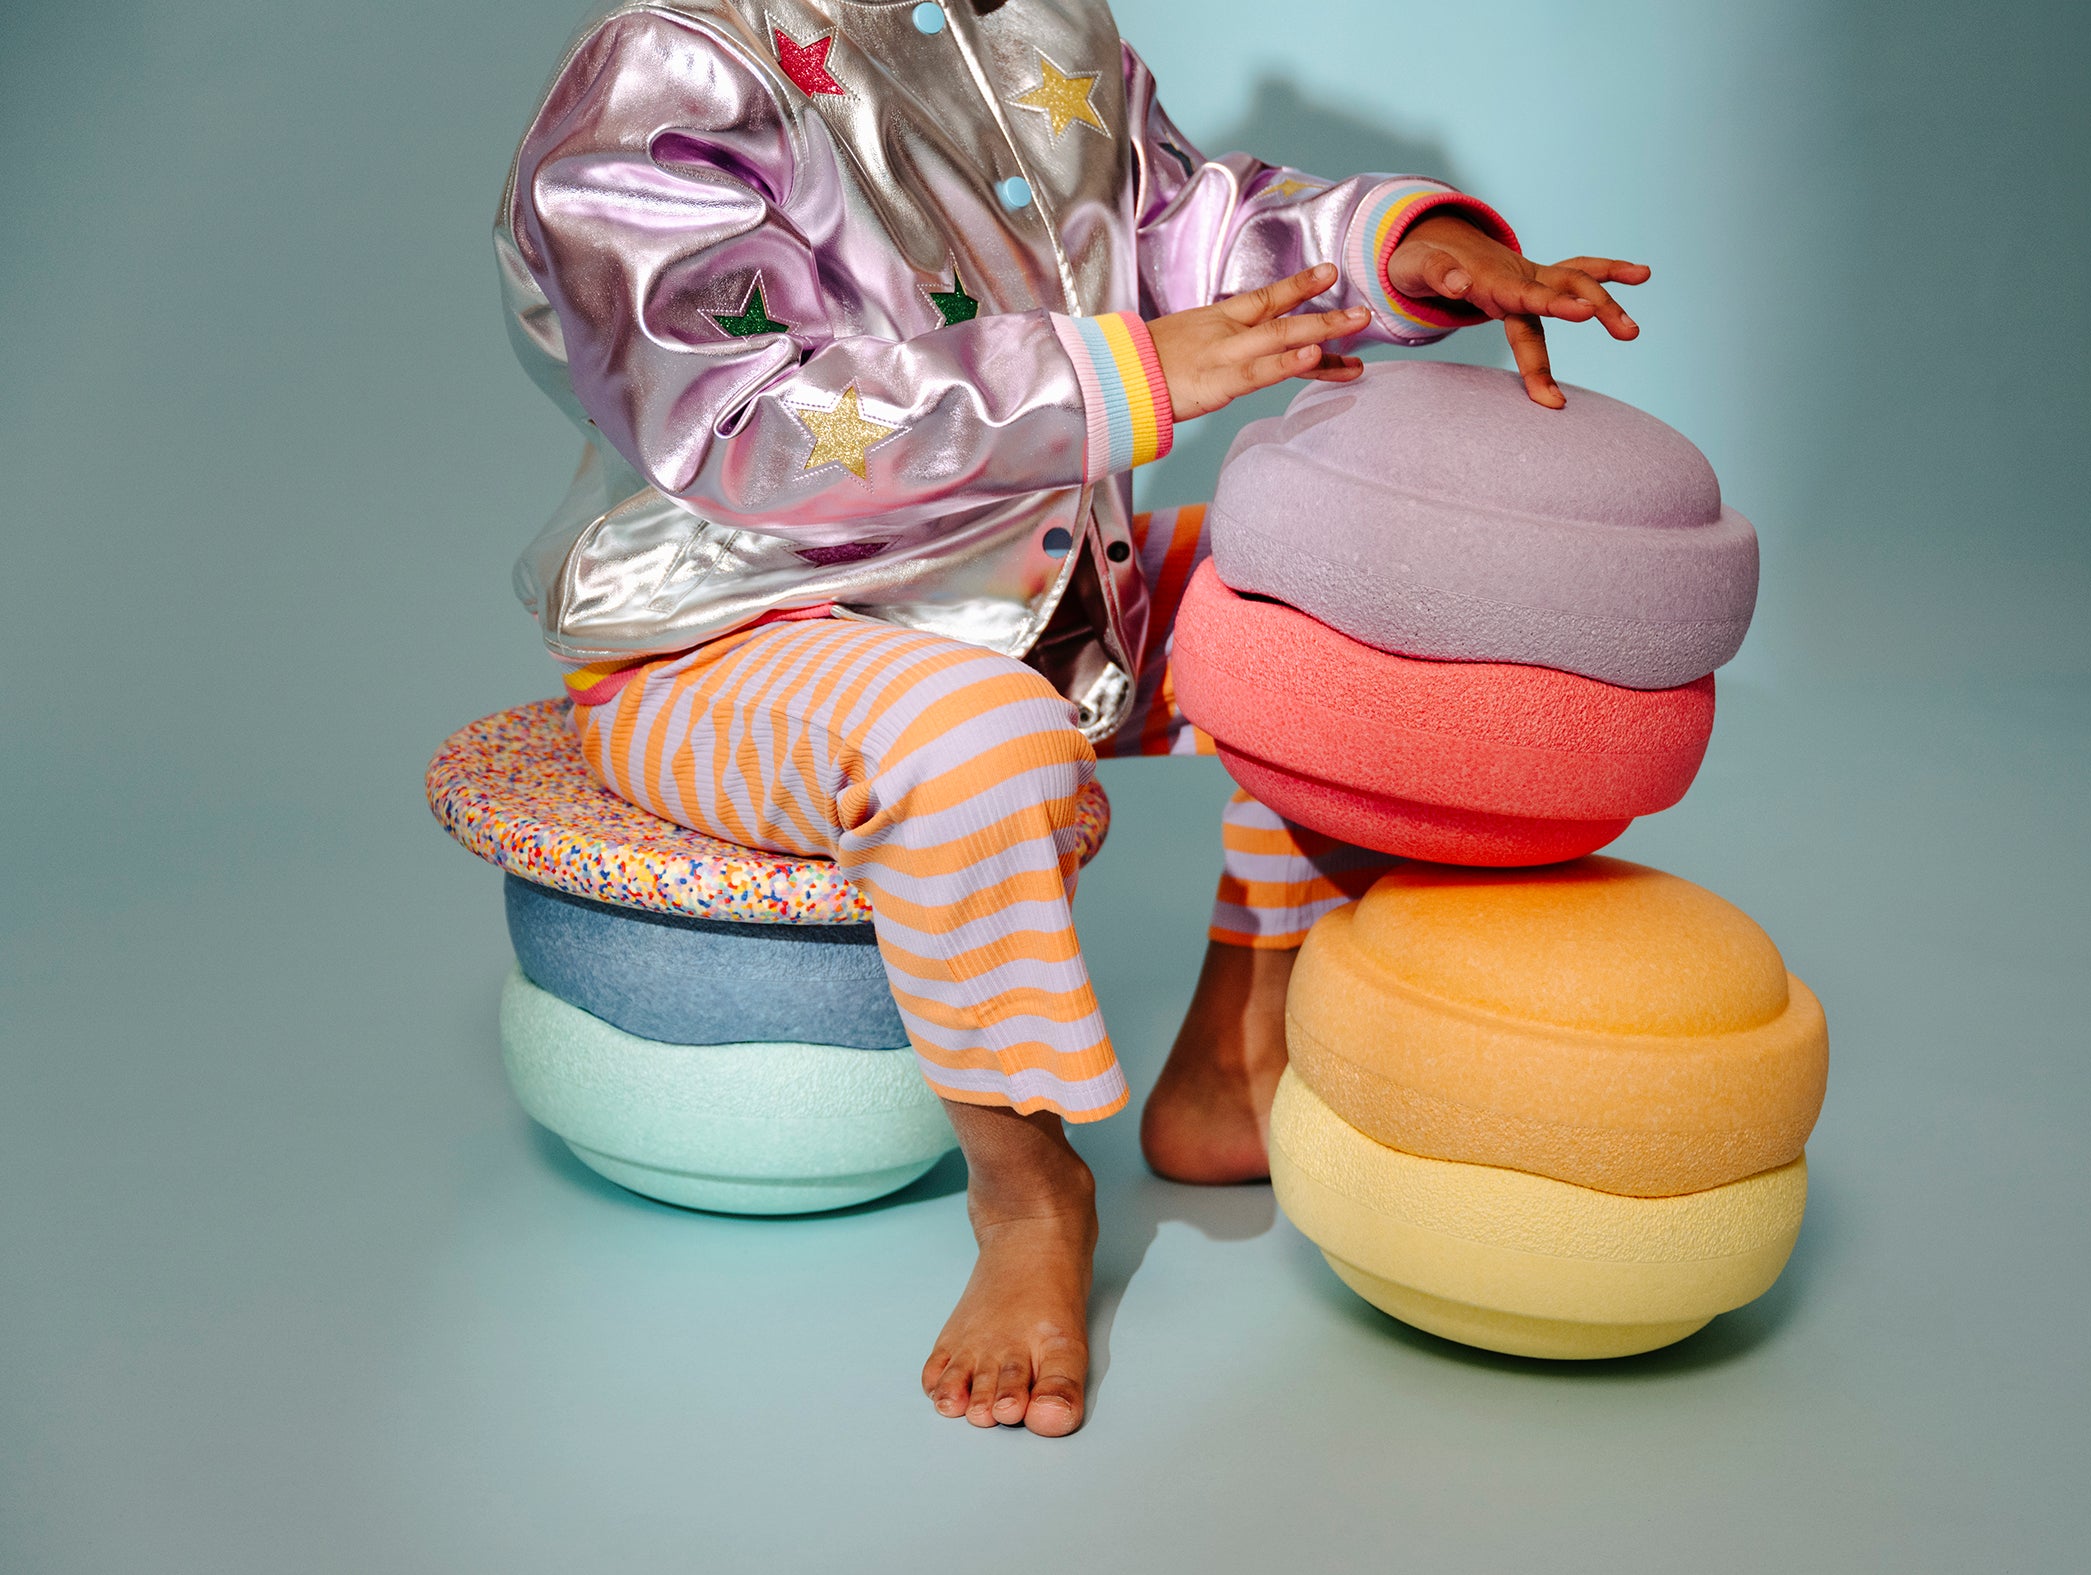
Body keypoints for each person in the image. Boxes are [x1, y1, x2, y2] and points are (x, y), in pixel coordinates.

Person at [497, 0, 1646, 1436]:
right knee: (978, 739)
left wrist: (1398, 251)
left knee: (1361, 590)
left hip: (1046, 592)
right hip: (733, 637)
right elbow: (739, 419)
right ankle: (1030, 1193)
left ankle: (1242, 1041)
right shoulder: (668, 69)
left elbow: (1175, 224)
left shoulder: (1040, 21)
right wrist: (1125, 375)